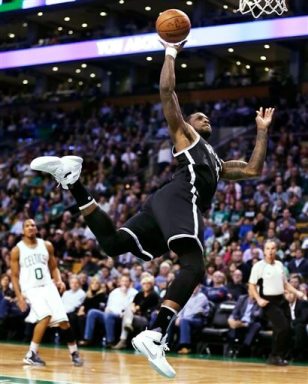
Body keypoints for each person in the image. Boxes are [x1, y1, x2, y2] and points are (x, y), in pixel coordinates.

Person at [30, 40, 274, 377]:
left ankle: (72, 180)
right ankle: (156, 331)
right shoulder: (187, 137)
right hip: (178, 198)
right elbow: (166, 92)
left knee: (114, 244)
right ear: (187, 124)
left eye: (206, 118)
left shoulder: (216, 162)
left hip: (163, 204)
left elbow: (253, 170)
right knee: (193, 264)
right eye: (198, 115)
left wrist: (262, 132)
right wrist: (171, 51)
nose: (205, 118)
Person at [11, 219, 83, 367]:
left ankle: (74, 353)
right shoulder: (17, 250)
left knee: (63, 321)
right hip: (31, 288)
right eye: (27, 225)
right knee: (45, 316)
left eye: (33, 225)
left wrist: (59, 280)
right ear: (22, 230)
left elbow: (54, 267)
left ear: (36, 229)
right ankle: (31, 354)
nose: (31, 227)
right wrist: (19, 296)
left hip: (48, 286)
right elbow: (14, 275)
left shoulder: (47, 245)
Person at [248, 239, 305, 366]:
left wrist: (297, 292)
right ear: (264, 251)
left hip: (281, 300)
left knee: (285, 328)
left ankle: (278, 356)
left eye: (273, 248)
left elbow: (285, 283)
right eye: (267, 248)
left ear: (276, 250)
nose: (270, 251)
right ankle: (275, 355)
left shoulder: (280, 265)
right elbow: (251, 285)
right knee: (282, 327)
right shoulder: (258, 266)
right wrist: (258, 299)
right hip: (268, 301)